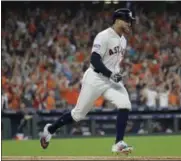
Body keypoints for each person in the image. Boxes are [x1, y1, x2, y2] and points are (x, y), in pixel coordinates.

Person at [40, 8, 135, 154]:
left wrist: (115, 74)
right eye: (127, 20)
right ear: (118, 20)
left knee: (125, 104)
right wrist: (111, 74)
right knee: (77, 115)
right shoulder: (103, 36)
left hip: (111, 80)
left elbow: (113, 62)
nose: (130, 24)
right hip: (95, 78)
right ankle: (50, 129)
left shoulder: (123, 40)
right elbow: (95, 60)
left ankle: (118, 143)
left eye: (131, 21)